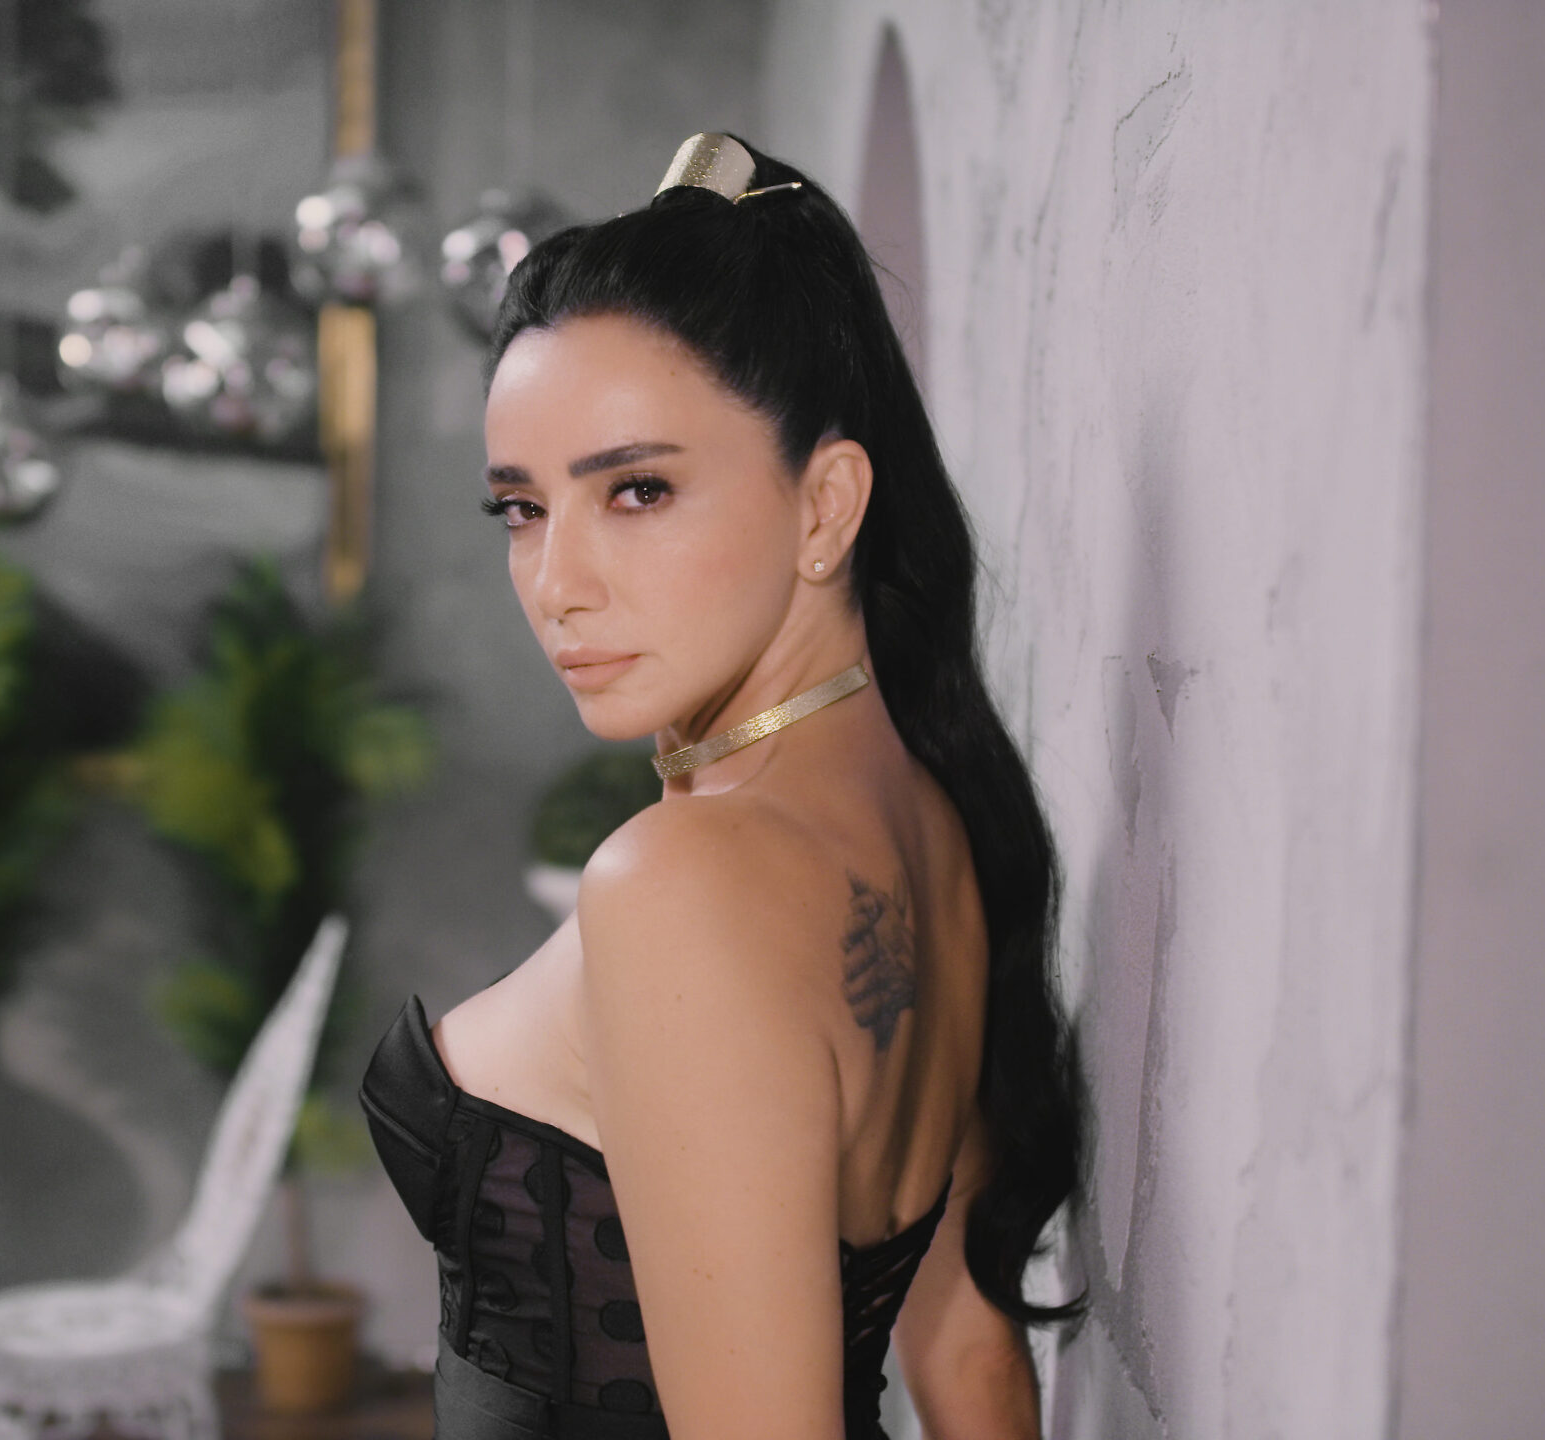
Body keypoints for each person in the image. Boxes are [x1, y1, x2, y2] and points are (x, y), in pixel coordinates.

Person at [359, 133, 1086, 1440]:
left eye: (637, 490)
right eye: (521, 509)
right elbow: (970, 1364)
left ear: (826, 508)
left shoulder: (680, 882)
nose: (556, 584)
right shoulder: (937, 827)